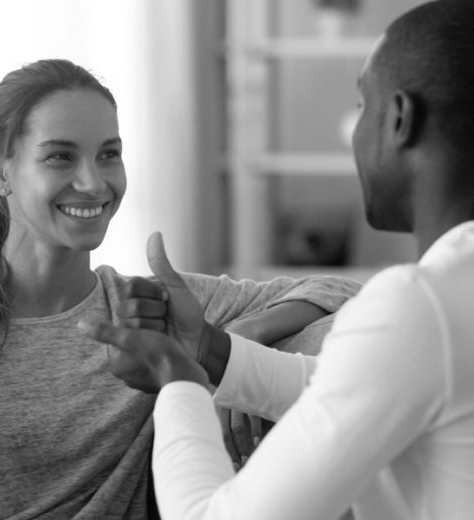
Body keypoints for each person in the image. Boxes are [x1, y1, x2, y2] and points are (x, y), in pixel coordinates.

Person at [0, 59, 360, 519]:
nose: (93, 182)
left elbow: (344, 291)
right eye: (60, 157)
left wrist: (229, 348)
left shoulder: (147, 310)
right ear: (0, 172)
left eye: (108, 154)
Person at [79, 1, 474, 519]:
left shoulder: (421, 305)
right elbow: (357, 385)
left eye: (361, 107)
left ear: (399, 118)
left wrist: (178, 378)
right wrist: (211, 350)